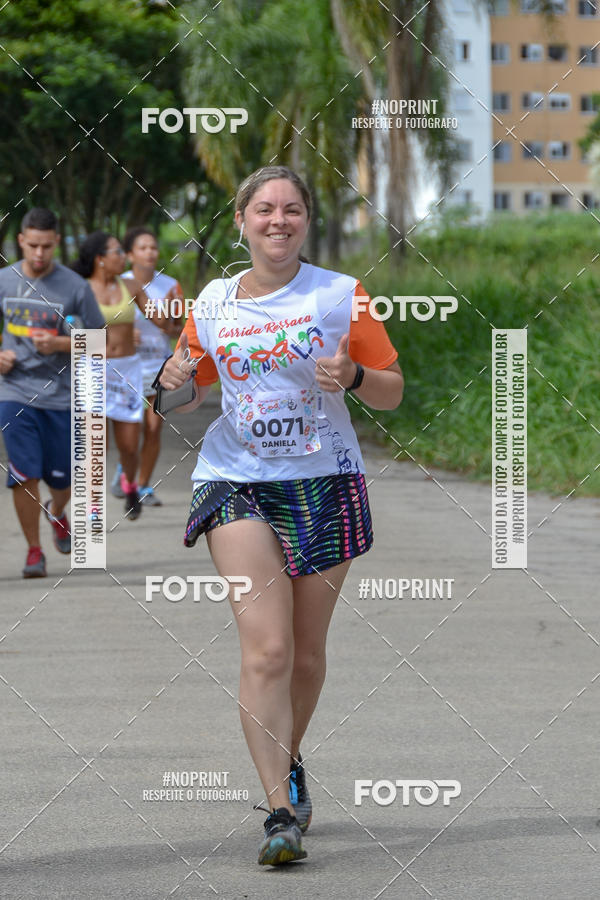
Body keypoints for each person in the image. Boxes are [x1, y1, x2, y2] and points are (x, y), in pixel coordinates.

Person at [158, 166, 404, 866]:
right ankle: (277, 812)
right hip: (236, 481)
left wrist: (353, 377)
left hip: (323, 481)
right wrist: (171, 382)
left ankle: (290, 756)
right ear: (241, 221)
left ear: (305, 222)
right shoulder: (213, 301)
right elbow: (181, 397)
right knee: (266, 648)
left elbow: (391, 391)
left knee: (305, 653)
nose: (278, 220)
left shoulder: (339, 296)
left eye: (291, 209)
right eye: (263, 209)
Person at [0, 207, 105, 577]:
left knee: (63, 480)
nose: (39, 254)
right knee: (23, 472)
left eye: (46, 246)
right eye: (33, 246)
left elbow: (98, 340)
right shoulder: (4, 280)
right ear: (21, 241)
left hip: (62, 396)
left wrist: (60, 344)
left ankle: (57, 512)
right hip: (13, 391)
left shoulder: (75, 287)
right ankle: (33, 551)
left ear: (57, 242)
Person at [71, 232, 168, 519]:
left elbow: (161, 320)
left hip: (127, 370)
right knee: (96, 439)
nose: (122, 257)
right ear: (100, 259)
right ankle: (93, 504)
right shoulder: (80, 288)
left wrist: (178, 307)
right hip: (93, 369)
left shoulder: (132, 286)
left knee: (129, 445)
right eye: (116, 252)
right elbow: (64, 320)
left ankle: (129, 482)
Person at [109, 226, 183, 506]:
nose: (150, 252)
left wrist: (171, 324)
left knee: (154, 427)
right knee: (134, 427)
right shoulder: (119, 283)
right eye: (142, 248)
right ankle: (125, 469)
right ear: (129, 254)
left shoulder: (170, 284)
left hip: (160, 366)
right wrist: (124, 334)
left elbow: (179, 328)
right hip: (128, 367)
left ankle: (143, 486)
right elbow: (101, 322)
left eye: (153, 247)